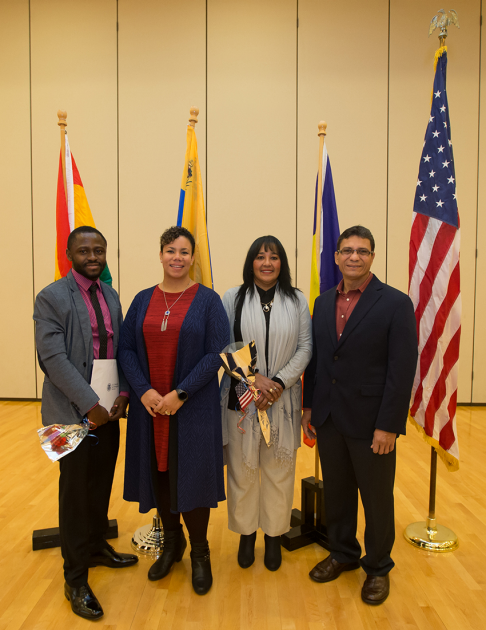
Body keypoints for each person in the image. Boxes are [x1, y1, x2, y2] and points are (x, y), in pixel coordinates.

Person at [302, 225, 418, 605]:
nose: (354, 256)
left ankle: (379, 567)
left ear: (372, 256)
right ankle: (343, 553)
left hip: (373, 423)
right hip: (330, 417)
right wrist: (309, 407)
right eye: (347, 250)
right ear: (336, 256)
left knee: (377, 497)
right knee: (337, 492)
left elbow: (401, 371)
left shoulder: (396, 303)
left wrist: (389, 425)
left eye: (362, 251)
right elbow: (319, 360)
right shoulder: (321, 302)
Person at [33, 226, 138, 622]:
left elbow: (121, 349)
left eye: (99, 250)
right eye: (84, 250)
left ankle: (96, 547)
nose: (92, 256)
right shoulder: (51, 297)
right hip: (67, 415)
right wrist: (90, 404)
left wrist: (123, 393)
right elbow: (52, 359)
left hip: (107, 412)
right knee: (73, 493)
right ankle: (75, 578)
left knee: (99, 483)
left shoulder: (110, 295)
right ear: (68, 254)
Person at [118, 226, 229, 595]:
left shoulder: (209, 301)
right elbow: (126, 350)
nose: (177, 257)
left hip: (192, 408)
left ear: (193, 257)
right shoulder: (142, 299)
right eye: (170, 250)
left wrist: (180, 393)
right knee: (160, 474)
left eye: (184, 251)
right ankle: (172, 544)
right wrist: (146, 391)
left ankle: (200, 552)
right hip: (150, 410)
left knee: (193, 477)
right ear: (160, 254)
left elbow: (217, 353)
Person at [221, 236, 312, 572]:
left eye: (274, 257)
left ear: (282, 263)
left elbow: (305, 347)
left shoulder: (296, 299)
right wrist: (252, 379)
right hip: (242, 396)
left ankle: (273, 536)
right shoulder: (233, 297)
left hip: (282, 398)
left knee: (279, 469)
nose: (267, 263)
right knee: (243, 471)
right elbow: (224, 344)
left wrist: (277, 382)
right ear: (251, 262)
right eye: (260, 257)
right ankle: (246, 535)